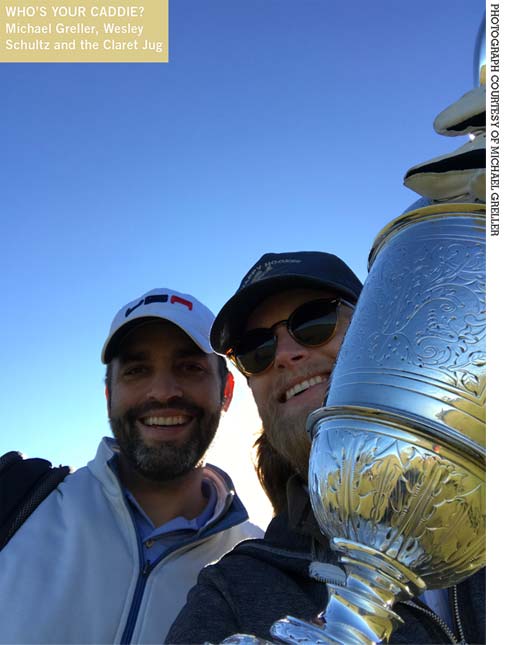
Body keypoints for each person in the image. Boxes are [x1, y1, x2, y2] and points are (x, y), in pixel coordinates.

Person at [167, 252, 485, 645]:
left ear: (381, 328)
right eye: (255, 350)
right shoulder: (231, 593)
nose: (283, 354)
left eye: (314, 321)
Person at [0, 287, 262, 645]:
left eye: (190, 367)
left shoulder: (260, 565)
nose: (163, 391)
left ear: (226, 391)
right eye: (137, 370)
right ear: (109, 396)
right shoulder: (16, 503)